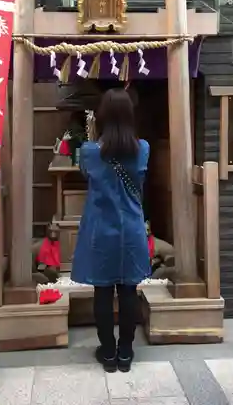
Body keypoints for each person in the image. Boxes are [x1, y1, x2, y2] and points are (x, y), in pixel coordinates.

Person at [71, 88, 150, 373]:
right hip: (130, 229)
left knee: (102, 292)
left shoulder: (90, 152)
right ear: (130, 116)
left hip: (100, 230)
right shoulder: (143, 149)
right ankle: (126, 353)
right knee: (129, 291)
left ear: (102, 116)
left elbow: (86, 175)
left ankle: (107, 353)